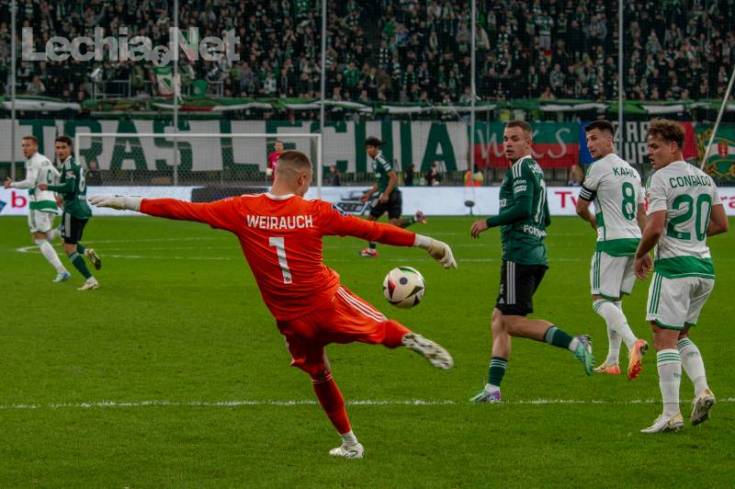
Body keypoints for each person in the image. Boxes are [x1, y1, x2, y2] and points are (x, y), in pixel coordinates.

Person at [89, 150, 457, 458]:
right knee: (375, 324)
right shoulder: (316, 211)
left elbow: (182, 209)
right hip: (326, 301)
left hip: (290, 321)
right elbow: (373, 230)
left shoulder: (241, 208)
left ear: (276, 174)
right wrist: (429, 243)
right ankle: (404, 337)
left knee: (320, 373)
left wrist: (127, 202)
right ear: (302, 180)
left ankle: (350, 444)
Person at [469, 121, 594, 403]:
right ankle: (492, 390)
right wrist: (533, 231)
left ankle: (575, 343)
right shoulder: (535, 169)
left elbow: (524, 208)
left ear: (528, 143)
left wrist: (488, 222)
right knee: (499, 320)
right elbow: (545, 216)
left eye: (515, 139)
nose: (508, 143)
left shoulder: (521, 168)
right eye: (505, 138)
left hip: (520, 255)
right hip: (533, 252)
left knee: (511, 322)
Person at [634, 119, 727, 433]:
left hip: (674, 269)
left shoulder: (660, 178)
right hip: (704, 270)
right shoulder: (704, 178)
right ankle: (702, 390)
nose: (650, 152)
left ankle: (670, 414)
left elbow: (655, 228)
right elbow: (721, 224)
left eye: (655, 146)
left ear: (673, 146)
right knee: (680, 336)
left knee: (662, 336)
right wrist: (692, 236)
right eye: (648, 147)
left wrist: (639, 254)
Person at [575, 120, 648, 379]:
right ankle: (612, 361)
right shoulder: (633, 172)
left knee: (599, 301)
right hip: (635, 243)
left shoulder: (597, 168)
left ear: (609, 140)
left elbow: (580, 207)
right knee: (615, 301)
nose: (590, 144)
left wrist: (593, 222)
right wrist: (646, 249)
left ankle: (633, 343)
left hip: (611, 243)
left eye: (594, 138)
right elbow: (641, 214)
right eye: (588, 140)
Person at [38, 136, 101, 291]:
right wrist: (63, 199)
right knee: (65, 239)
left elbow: (70, 187)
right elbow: (77, 188)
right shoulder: (75, 164)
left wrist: (49, 187)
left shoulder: (69, 166)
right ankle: (87, 251)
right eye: (57, 148)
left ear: (70, 149)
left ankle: (90, 280)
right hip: (82, 208)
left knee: (68, 248)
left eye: (63, 147)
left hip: (72, 210)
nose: (60, 151)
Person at [3, 135, 69, 282]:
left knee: (38, 239)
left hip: (39, 203)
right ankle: (60, 230)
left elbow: (30, 182)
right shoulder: (45, 160)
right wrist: (59, 195)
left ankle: (62, 271)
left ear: (35, 147)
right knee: (45, 236)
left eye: (28, 145)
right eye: (23, 145)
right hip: (51, 203)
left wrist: (12, 184)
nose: (24, 148)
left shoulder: (33, 161)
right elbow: (58, 177)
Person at [359, 137, 427, 257]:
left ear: (376, 148)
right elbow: (380, 182)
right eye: (367, 148)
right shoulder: (375, 162)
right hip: (392, 194)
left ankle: (371, 250)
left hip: (389, 195)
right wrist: (369, 193)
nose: (368, 150)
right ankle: (415, 219)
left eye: (370, 147)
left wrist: (385, 194)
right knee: (393, 225)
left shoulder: (381, 160)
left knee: (369, 222)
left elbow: (394, 177)